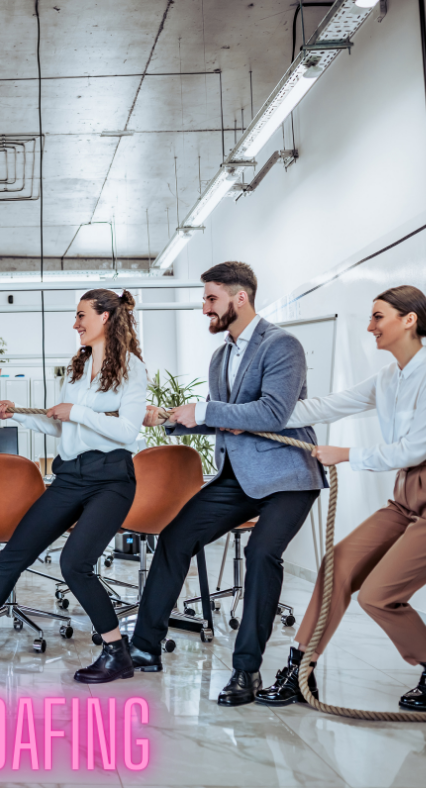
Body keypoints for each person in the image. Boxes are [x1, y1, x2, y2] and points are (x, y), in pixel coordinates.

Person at [0, 289, 147, 684]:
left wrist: (76, 411)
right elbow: (60, 423)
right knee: (14, 553)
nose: (75, 324)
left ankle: (116, 652)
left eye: (81, 316)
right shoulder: (78, 368)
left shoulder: (131, 369)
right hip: (70, 476)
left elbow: (127, 430)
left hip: (110, 479)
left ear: (106, 317)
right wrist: (16, 416)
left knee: (74, 563)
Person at [140, 261, 326, 706]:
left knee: (261, 552)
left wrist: (203, 411)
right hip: (238, 474)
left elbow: (270, 414)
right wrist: (172, 420)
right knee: (175, 537)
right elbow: (227, 422)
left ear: (239, 297)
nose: (204, 307)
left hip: (287, 474)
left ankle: (247, 671)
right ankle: (144, 647)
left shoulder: (283, 345)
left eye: (210, 298)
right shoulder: (221, 354)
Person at [256, 285, 426, 713]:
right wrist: (251, 417)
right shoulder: (390, 377)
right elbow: (327, 406)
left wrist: (347, 454)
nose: (369, 326)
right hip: (406, 499)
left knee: (378, 595)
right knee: (337, 567)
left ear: (410, 320)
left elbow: (415, 448)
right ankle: (299, 672)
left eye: (378, 317)